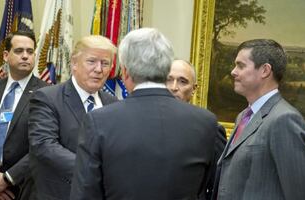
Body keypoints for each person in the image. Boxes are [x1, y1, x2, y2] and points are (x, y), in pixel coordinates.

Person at [70, 28, 218, 200]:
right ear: (166, 68)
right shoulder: (205, 122)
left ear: (125, 72)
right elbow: (206, 188)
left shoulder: (100, 121)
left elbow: (85, 193)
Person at [214, 39, 305, 199]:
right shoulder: (244, 116)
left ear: (265, 70)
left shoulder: (284, 120)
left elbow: (302, 194)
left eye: (240, 65)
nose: (233, 71)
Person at [28, 35, 118, 200]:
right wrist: (93, 169)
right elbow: (44, 145)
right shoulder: (48, 97)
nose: (99, 69)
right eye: (91, 61)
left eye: (105, 63)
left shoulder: (113, 103)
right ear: (74, 63)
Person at [0, 30, 48, 200]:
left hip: (25, 188)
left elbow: (44, 147)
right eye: (19, 51)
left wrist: (7, 179)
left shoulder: (48, 94)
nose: (25, 56)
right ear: (6, 55)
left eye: (30, 51)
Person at [166, 59, 227, 199]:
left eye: (182, 81)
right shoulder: (147, 122)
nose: (174, 87)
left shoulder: (210, 128)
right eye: (168, 80)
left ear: (194, 89)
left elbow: (218, 182)